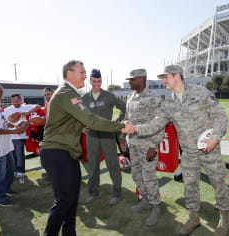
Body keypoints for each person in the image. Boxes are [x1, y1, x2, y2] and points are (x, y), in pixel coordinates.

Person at [123, 65, 229, 235]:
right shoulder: (169, 103)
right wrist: (135, 129)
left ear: (177, 76)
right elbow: (156, 124)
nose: (163, 81)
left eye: (166, 77)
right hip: (188, 152)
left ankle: (225, 217)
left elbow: (220, 115)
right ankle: (193, 217)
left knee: (218, 183)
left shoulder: (199, 92)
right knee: (190, 186)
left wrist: (215, 138)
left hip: (209, 149)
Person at [40, 60, 126, 236]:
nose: (86, 77)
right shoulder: (67, 93)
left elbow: (71, 120)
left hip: (68, 152)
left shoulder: (73, 93)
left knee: (71, 200)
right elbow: (91, 120)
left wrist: (81, 126)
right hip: (58, 151)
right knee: (64, 201)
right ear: (70, 73)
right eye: (83, 72)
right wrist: (121, 126)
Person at [119, 68, 164, 226]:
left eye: (132, 79)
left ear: (141, 79)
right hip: (134, 144)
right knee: (136, 174)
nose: (130, 82)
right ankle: (145, 200)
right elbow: (126, 119)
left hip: (147, 146)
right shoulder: (131, 97)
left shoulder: (153, 98)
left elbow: (160, 124)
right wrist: (123, 138)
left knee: (149, 177)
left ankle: (156, 207)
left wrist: (153, 146)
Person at [82, 68, 126, 205]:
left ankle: (117, 192)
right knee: (93, 165)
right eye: (94, 81)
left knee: (112, 164)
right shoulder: (84, 98)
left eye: (99, 81)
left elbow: (124, 108)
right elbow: (79, 114)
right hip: (92, 136)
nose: (96, 84)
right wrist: (82, 127)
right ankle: (93, 192)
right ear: (90, 81)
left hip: (107, 135)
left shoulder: (109, 96)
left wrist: (116, 124)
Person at [3, 93, 36, 178]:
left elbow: (38, 106)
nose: (15, 103)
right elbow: (3, 121)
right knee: (12, 154)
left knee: (19, 153)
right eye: (13, 101)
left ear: (21, 100)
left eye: (17, 101)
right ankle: (14, 170)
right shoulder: (7, 110)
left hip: (20, 136)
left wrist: (28, 112)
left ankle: (20, 170)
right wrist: (13, 124)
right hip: (10, 135)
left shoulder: (26, 107)